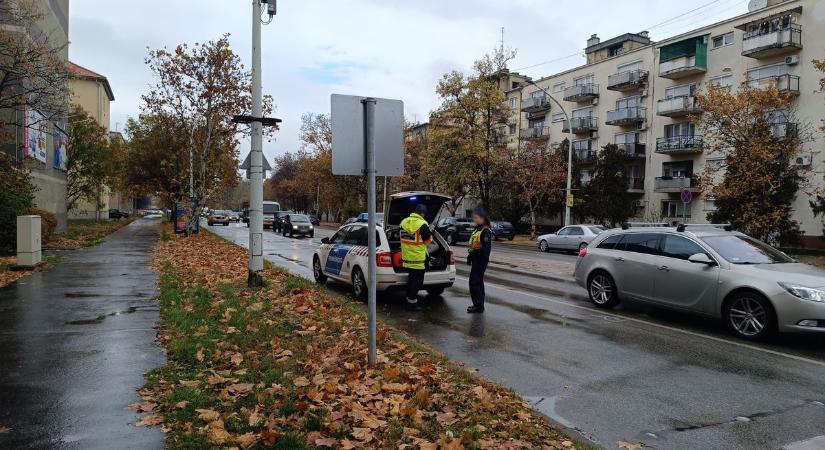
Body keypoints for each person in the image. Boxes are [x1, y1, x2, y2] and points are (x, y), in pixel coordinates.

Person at [400, 204, 432, 311]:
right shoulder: (422, 224)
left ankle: (408, 299)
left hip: (407, 258)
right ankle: (412, 303)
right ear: (422, 213)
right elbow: (427, 241)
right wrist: (430, 235)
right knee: (417, 282)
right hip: (418, 259)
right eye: (424, 214)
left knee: (411, 280)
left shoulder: (404, 222)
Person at [466, 208, 492, 313]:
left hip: (480, 260)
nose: (474, 220)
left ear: (482, 218)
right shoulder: (478, 229)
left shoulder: (485, 231)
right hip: (476, 259)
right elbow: (474, 245)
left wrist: (475, 255)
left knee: (475, 282)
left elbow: (485, 250)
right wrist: (470, 256)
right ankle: (478, 304)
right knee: (477, 282)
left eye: (476, 218)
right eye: (474, 218)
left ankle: (478, 305)